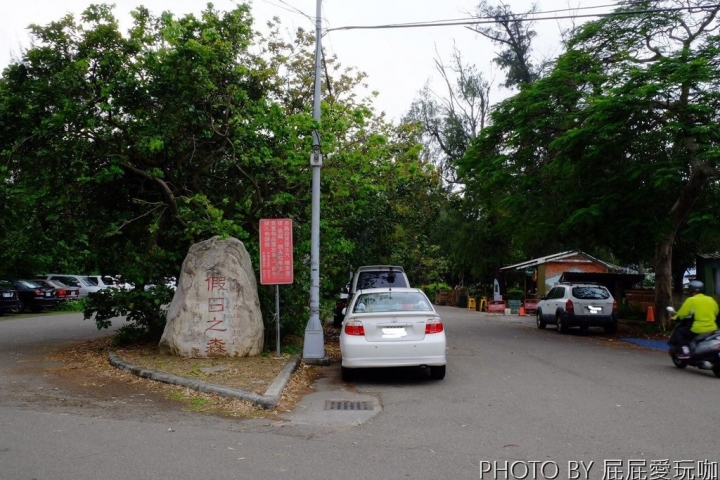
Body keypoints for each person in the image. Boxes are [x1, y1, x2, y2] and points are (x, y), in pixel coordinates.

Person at [672, 280, 719, 359]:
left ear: (691, 290)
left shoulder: (691, 300)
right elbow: (716, 312)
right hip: (712, 328)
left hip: (698, 329)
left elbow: (682, 313)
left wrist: (675, 317)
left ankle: (685, 352)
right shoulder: (711, 299)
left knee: (680, 332)